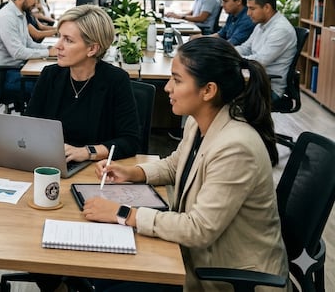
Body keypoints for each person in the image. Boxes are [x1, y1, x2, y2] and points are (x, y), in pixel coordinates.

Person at [83, 37, 288, 292]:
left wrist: (124, 213)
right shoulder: (199, 122)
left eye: (177, 80)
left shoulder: (236, 147)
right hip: (191, 256)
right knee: (102, 274)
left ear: (208, 90)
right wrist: (132, 172)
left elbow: (198, 228)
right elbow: (174, 165)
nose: (168, 88)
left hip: (223, 277)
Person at [23, 5, 140, 292]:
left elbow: (130, 140)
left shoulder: (115, 80)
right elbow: (29, 126)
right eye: (59, 37)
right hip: (49, 171)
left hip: (95, 179)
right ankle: (55, 286)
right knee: (27, 231)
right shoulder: (50, 75)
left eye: (68, 40)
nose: (57, 46)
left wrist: (86, 151)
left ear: (92, 48)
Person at [0, 0, 57, 103]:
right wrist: (48, 53)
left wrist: (50, 49)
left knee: (51, 78)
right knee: (46, 87)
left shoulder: (20, 14)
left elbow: (29, 43)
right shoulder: (7, 17)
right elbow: (18, 52)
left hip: (15, 69)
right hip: (1, 76)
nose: (36, 2)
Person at [235, 0, 297, 103]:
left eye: (252, 9)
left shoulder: (281, 30)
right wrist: (227, 51)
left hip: (268, 88)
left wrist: (232, 58)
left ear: (267, 7)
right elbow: (246, 48)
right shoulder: (261, 24)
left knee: (220, 95)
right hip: (254, 81)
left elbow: (260, 61)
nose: (248, 13)